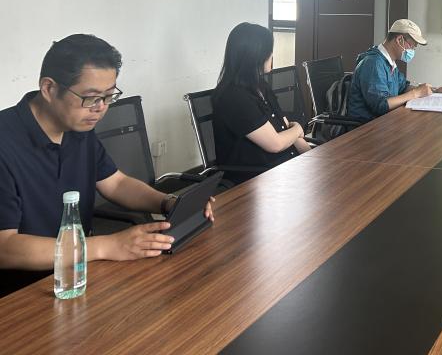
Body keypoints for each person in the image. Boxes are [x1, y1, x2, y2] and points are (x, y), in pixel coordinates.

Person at [0, 34, 214, 297]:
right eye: (91, 98)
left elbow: (116, 183)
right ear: (49, 89)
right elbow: (4, 247)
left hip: (80, 273)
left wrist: (168, 203)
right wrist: (106, 246)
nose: (100, 108)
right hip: (22, 294)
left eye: (109, 96)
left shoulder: (77, 127)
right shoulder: (6, 142)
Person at [212, 23, 310, 184]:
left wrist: (313, 159)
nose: (272, 55)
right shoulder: (233, 97)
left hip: (284, 167)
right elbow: (276, 144)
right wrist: (298, 128)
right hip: (257, 178)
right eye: (269, 51)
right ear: (255, 56)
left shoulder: (261, 86)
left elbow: (285, 129)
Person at [347, 19, 442, 124]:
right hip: (366, 128)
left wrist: (433, 90)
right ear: (399, 40)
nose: (412, 50)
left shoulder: (389, 62)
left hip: (384, 122)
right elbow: (381, 106)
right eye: (412, 46)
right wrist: (416, 93)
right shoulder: (373, 63)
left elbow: (403, 87)